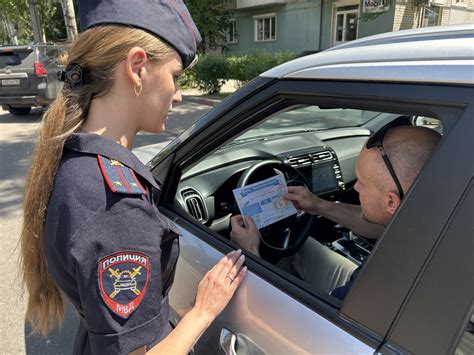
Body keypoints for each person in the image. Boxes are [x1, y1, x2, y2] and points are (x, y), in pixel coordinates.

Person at [19, 1, 247, 354]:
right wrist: (204, 310)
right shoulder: (115, 205)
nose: (179, 94)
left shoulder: (76, 160)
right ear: (138, 67)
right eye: (175, 76)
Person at [231, 123, 441, 300]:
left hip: (341, 306)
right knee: (299, 250)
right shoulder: (434, 221)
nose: (356, 187)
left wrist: (250, 253)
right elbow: (379, 227)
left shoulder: (380, 283)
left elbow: (308, 328)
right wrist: (318, 205)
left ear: (391, 201)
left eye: (362, 182)